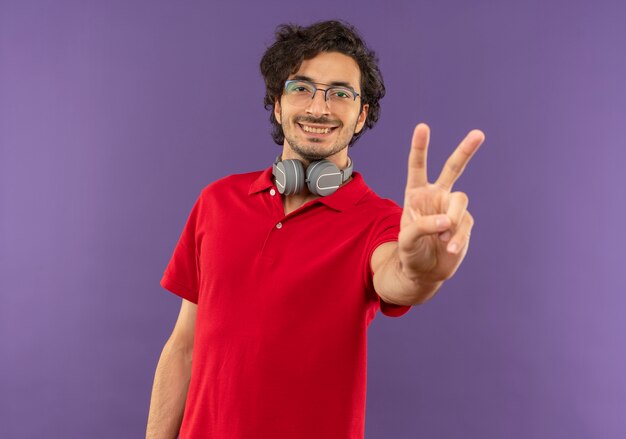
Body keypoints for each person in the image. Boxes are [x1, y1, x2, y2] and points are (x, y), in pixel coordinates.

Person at [146, 20, 484, 439]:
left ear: (361, 116)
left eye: (340, 94)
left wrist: (423, 271)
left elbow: (399, 277)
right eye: (301, 88)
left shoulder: (380, 220)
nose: (319, 108)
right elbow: (183, 347)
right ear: (277, 104)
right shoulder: (216, 201)